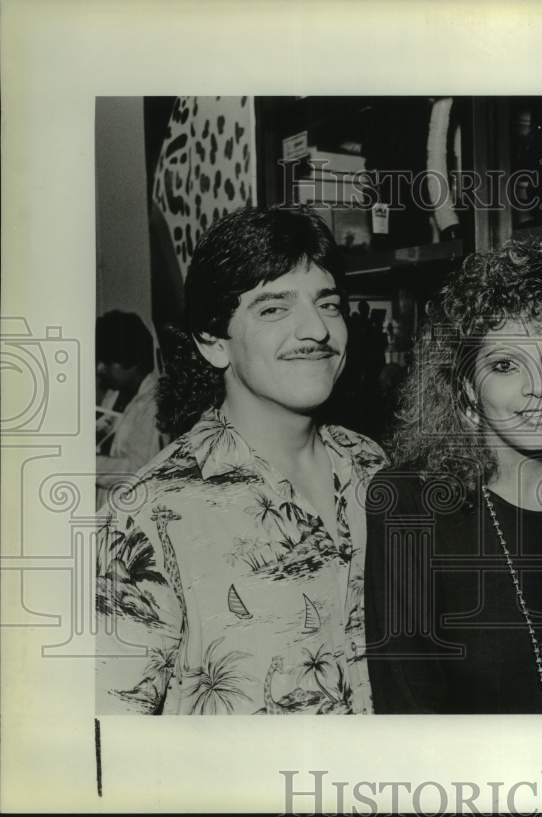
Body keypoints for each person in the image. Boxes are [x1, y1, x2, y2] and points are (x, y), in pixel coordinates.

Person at [95, 206, 386, 714]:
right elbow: (104, 744)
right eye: (273, 309)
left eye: (329, 303)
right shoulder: (144, 518)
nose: (315, 329)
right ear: (212, 344)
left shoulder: (371, 465)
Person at [365, 238, 542, 714]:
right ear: (467, 389)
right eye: (504, 365)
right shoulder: (410, 505)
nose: (539, 386)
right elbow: (409, 715)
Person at [95, 311, 166, 506]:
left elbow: (137, 469)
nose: (99, 369)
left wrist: (87, 463)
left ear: (131, 362)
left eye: (107, 362)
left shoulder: (155, 404)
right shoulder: (113, 395)